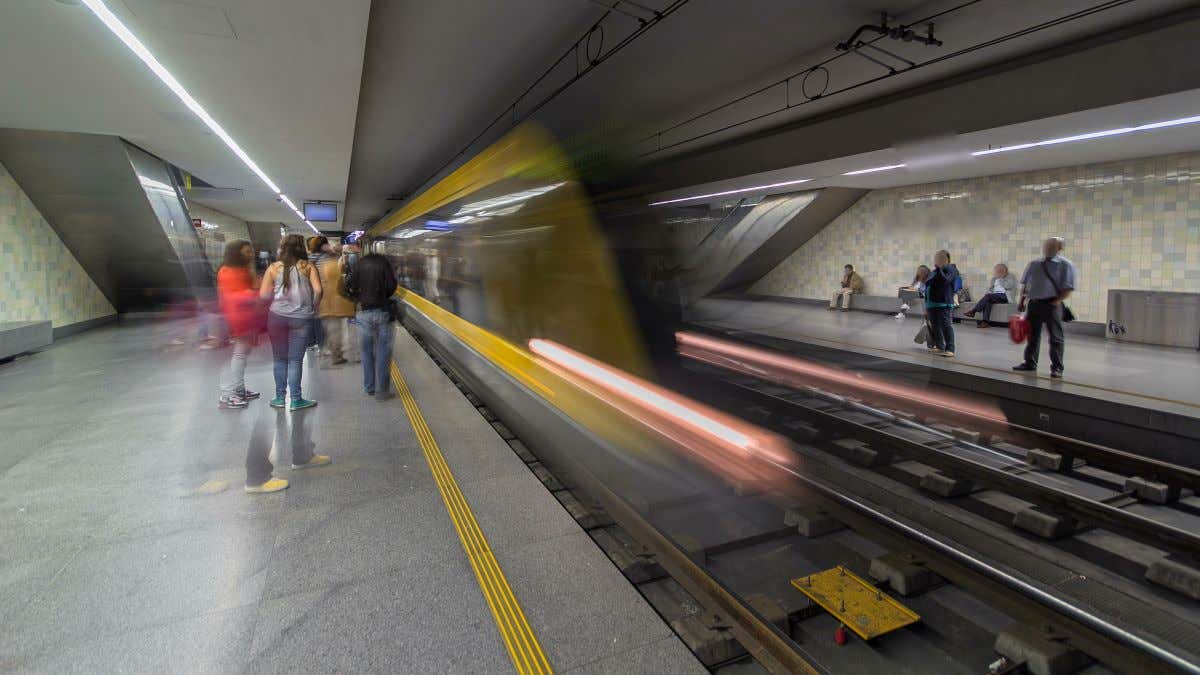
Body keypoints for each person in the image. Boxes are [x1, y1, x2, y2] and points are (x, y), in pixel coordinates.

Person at [259, 234, 323, 410]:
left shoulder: (273, 268)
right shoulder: (308, 266)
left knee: (279, 359)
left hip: (276, 317)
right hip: (301, 318)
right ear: (301, 248)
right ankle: (296, 399)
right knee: (295, 360)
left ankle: (279, 398)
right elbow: (318, 290)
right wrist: (313, 306)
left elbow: (263, 295)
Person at [1014, 237, 1076, 378]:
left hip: (1052, 304)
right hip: (1034, 303)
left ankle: (1057, 367)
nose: (1047, 248)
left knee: (1055, 337)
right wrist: (1022, 300)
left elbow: (1068, 288)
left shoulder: (1066, 265)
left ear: (1059, 248)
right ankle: (1029, 362)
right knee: (1032, 335)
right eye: (1046, 245)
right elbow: (1026, 284)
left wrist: (1057, 301)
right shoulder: (1034, 264)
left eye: (1051, 246)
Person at [217, 240, 262, 409]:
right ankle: (228, 394)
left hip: (243, 318)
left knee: (240, 355)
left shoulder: (241, 270)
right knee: (235, 356)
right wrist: (253, 292)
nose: (251, 255)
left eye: (251, 251)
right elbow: (234, 297)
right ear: (237, 253)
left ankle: (238, 389)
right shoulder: (229, 272)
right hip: (236, 319)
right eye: (246, 252)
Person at [347, 249, 398, 399]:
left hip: (363, 313)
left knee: (366, 352)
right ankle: (383, 391)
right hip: (383, 311)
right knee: (383, 353)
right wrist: (383, 295)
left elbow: (348, 284)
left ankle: (369, 387)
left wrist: (359, 297)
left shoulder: (359, 264)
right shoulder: (384, 264)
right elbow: (391, 286)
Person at [317, 241, 355, 366]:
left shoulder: (323, 265)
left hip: (326, 302)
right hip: (336, 302)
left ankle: (330, 351)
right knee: (336, 331)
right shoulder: (337, 266)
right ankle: (336, 356)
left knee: (330, 330)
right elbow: (342, 284)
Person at [924, 249, 960, 357]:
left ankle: (950, 348)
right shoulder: (934, 271)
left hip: (944, 303)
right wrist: (926, 304)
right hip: (931, 304)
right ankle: (940, 346)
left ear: (947, 259)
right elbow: (927, 287)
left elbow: (945, 281)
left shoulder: (951, 269)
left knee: (946, 325)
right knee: (935, 326)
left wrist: (939, 269)